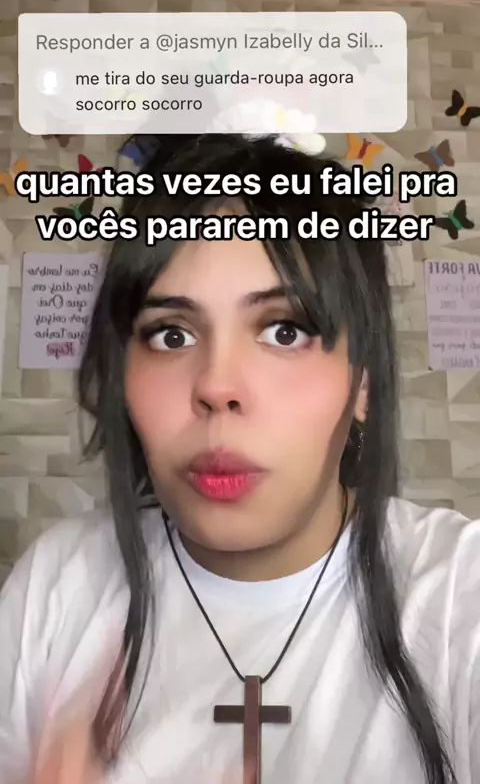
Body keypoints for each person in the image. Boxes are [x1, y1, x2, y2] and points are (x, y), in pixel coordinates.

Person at [0, 131, 478, 784]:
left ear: (363, 381)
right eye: (171, 335)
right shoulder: (57, 583)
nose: (217, 386)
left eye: (285, 330)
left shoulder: (460, 597)